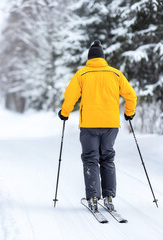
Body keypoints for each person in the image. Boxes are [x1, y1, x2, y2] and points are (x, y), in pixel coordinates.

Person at [58, 40, 137, 211]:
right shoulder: (115, 74)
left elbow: (70, 97)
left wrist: (64, 113)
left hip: (89, 125)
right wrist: (129, 112)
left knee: (90, 158)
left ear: (89, 58)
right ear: (102, 58)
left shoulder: (82, 75)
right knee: (107, 158)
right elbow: (131, 95)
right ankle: (109, 197)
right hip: (111, 125)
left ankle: (93, 197)